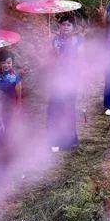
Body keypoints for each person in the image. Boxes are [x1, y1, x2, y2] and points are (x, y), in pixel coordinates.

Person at [47, 14, 81, 151]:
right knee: (54, 108)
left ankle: (69, 140)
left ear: (73, 28)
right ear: (59, 26)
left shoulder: (77, 42)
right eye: (63, 24)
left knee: (68, 109)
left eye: (68, 25)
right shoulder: (53, 40)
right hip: (55, 78)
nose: (65, 27)